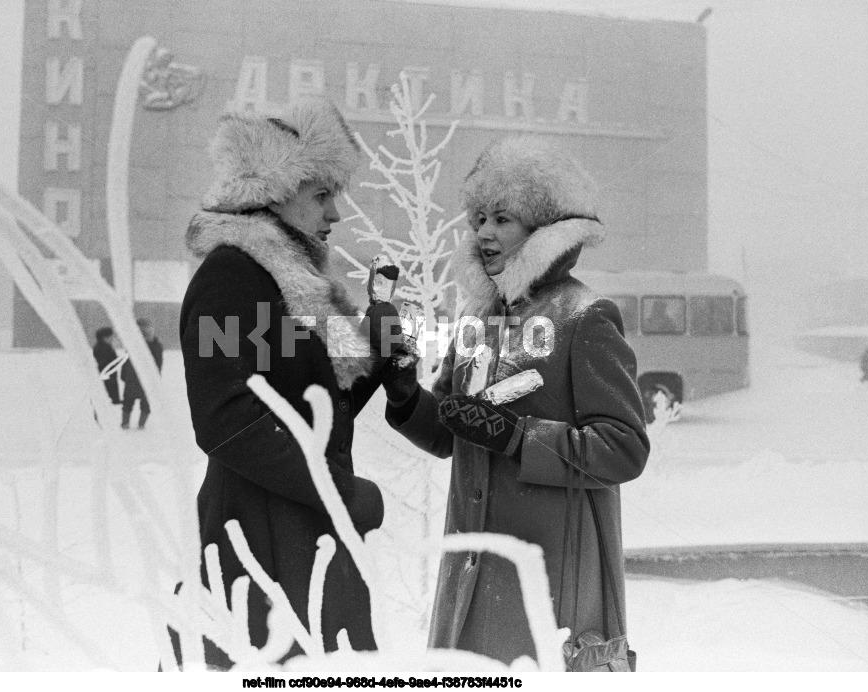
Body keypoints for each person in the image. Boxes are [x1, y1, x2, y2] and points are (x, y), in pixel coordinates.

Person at [380, 138, 649, 670]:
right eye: (479, 216)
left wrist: (519, 437)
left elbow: (624, 449)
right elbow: (449, 430)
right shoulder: (478, 319)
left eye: (502, 218)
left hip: (549, 586)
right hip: (471, 576)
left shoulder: (585, 318)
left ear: (545, 231)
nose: (483, 232)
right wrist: (404, 392)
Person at [172, 98, 389, 669]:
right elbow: (225, 416)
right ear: (272, 189)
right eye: (321, 195)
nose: (336, 214)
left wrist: (378, 350)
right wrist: (341, 495)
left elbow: (315, 409)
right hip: (260, 548)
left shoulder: (287, 285)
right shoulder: (230, 277)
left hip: (300, 543)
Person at [120, 317, 163, 429]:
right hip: (135, 376)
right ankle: (133, 424)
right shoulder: (150, 344)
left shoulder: (153, 345)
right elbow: (126, 359)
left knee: (138, 401)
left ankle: (137, 425)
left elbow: (157, 363)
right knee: (134, 401)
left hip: (142, 377)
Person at [92, 326, 122, 405]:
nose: (112, 338)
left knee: (112, 385)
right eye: (110, 336)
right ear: (104, 337)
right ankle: (114, 399)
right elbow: (107, 360)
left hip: (108, 371)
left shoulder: (104, 346)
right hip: (107, 371)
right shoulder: (102, 347)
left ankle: (114, 399)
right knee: (110, 386)